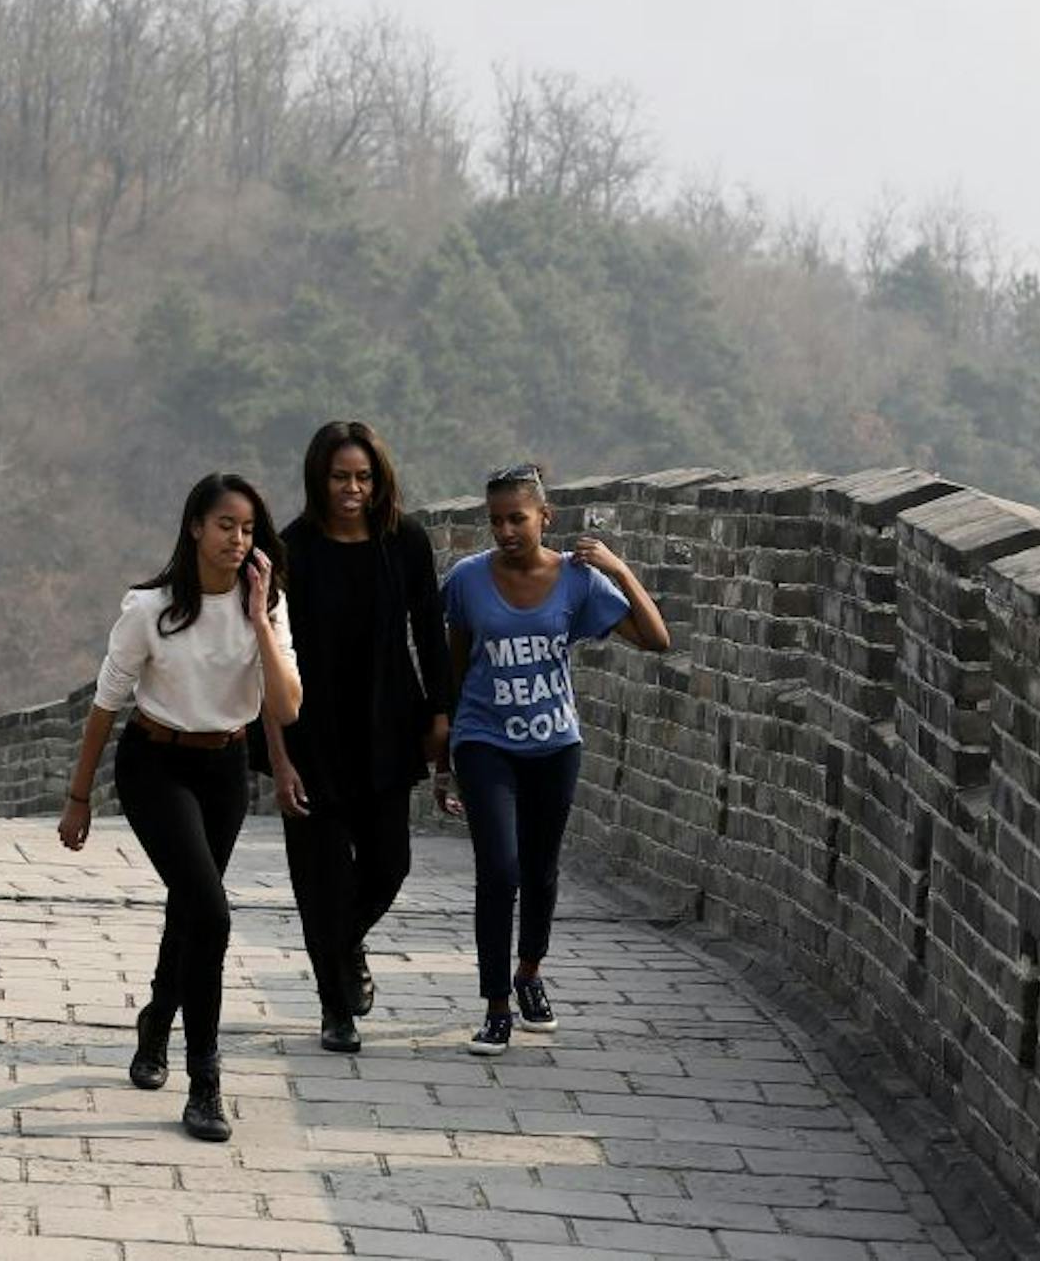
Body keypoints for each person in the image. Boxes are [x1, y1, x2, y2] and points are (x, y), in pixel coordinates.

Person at [58, 473, 302, 1141]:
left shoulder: (268, 605)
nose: (237, 539)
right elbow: (106, 704)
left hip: (225, 768)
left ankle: (158, 1019)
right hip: (155, 765)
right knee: (213, 914)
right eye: (225, 524)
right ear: (196, 526)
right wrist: (79, 798)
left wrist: (259, 620)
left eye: (249, 529)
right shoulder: (150, 608)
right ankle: (205, 1081)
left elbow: (285, 708)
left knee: (191, 907)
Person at [439, 463, 670, 1055]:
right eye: (495, 520)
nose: (506, 531)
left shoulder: (578, 580)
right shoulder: (467, 580)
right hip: (483, 739)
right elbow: (455, 667)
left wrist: (617, 569)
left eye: (517, 518)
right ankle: (495, 1007)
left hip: (553, 745)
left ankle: (530, 974)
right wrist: (442, 757)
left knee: (540, 870)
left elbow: (655, 639)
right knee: (500, 871)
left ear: (546, 517)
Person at [261, 421, 451, 1055]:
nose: (352, 488)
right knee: (319, 879)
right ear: (319, 478)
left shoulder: (406, 543)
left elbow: (429, 632)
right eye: (340, 476)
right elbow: (268, 659)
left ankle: (342, 948)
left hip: (385, 727)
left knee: (388, 863)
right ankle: (333, 1009)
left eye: (363, 477)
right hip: (311, 732)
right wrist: (279, 757)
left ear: (379, 480)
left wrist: (440, 714)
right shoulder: (292, 551)